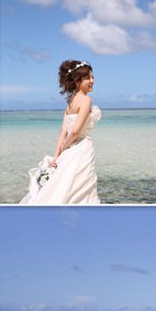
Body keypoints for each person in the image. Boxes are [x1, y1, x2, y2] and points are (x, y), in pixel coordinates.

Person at [20, 60, 101, 204]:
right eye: (88, 78)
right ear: (77, 81)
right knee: (82, 188)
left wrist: (57, 156)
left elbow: (63, 133)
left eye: (93, 77)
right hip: (82, 149)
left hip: (68, 152)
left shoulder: (70, 102)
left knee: (65, 187)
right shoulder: (86, 100)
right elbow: (75, 132)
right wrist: (64, 148)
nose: (92, 81)